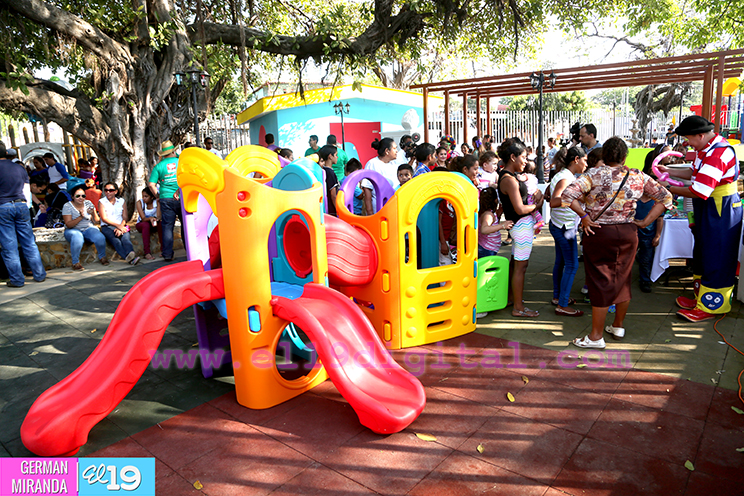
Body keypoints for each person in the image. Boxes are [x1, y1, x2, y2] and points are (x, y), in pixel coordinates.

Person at [562, 137, 672, 348]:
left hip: (599, 232)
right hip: (629, 232)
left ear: (604, 156)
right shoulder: (637, 176)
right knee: (622, 278)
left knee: (600, 281)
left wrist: (584, 216)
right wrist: (646, 221)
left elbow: (568, 195)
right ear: (624, 157)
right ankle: (618, 326)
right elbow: (666, 198)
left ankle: (595, 336)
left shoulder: (593, 174)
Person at [659, 115, 742, 322]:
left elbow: (699, 190)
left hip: (720, 208)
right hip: (707, 206)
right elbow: (694, 173)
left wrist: (668, 188)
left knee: (718, 254)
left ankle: (712, 305)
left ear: (701, 135)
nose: (687, 143)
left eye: (689, 138)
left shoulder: (719, 153)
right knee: (703, 251)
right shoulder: (704, 150)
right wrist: (669, 171)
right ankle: (701, 297)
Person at [497, 137, 544, 317]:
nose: (526, 161)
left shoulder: (511, 176)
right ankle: (518, 307)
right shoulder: (509, 179)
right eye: (523, 157)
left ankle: (511, 299)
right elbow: (520, 208)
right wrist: (537, 207)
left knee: (517, 264)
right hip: (521, 224)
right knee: (521, 267)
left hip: (520, 225)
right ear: (512, 157)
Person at [0, 142, 47, 287]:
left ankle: (17, 280)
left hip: (3, 206)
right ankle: (39, 275)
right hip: (22, 205)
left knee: (9, 246)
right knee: (29, 242)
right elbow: (27, 190)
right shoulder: (19, 168)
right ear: (6, 153)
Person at [548, 147, 587, 317]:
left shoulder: (563, 175)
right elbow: (554, 201)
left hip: (560, 225)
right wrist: (574, 201)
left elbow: (548, 195)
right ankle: (562, 305)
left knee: (561, 262)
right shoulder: (565, 178)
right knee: (572, 265)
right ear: (576, 159)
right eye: (585, 160)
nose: (586, 164)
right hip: (565, 227)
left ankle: (559, 298)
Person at [636, 145, 668, 293]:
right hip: (635, 234)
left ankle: (645, 280)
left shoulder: (656, 203)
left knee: (646, 259)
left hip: (649, 236)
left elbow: (660, 219)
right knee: (632, 257)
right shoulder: (635, 199)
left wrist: (658, 235)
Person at [62, 184, 108, 270]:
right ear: (72, 196)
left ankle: (102, 257)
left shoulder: (88, 203)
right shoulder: (67, 206)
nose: (81, 198)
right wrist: (81, 217)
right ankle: (75, 262)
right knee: (77, 237)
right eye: (77, 196)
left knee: (100, 237)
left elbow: (96, 220)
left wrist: (93, 213)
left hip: (88, 228)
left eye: (83, 196)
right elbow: (68, 224)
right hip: (73, 230)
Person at [149, 140, 180, 261]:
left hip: (165, 198)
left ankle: (167, 254)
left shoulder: (158, 166)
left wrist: (157, 195)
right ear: (173, 151)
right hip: (181, 197)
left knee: (167, 226)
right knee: (186, 226)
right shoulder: (180, 162)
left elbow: (151, 184)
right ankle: (190, 251)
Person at [98, 182, 140, 265]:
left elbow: (125, 217)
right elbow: (104, 218)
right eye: (106, 190)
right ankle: (129, 259)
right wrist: (118, 226)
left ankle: (130, 255)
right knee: (116, 241)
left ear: (116, 191)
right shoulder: (102, 202)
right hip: (107, 226)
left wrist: (121, 226)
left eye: (111, 190)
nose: (108, 192)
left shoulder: (121, 201)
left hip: (121, 225)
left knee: (126, 238)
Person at [362, 138, 398, 215]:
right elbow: (367, 188)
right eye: (394, 148)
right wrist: (370, 211)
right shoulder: (372, 164)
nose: (397, 151)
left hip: (393, 207)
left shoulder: (394, 164)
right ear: (387, 151)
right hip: (378, 209)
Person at [478, 186, 513, 258]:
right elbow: (484, 229)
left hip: (488, 248)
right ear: (496, 200)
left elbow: (491, 226)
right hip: (486, 249)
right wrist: (502, 225)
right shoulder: (488, 215)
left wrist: (498, 215)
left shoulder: (486, 213)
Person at [135, 187, 162, 260]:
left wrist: (159, 204)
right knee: (145, 225)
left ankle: (164, 249)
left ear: (152, 197)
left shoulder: (156, 202)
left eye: (146, 196)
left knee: (161, 224)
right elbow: (143, 218)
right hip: (142, 224)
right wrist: (150, 219)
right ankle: (147, 252)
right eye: (143, 196)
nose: (144, 198)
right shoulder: (140, 203)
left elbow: (159, 217)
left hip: (153, 223)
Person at [317, 145, 340, 216]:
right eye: (336, 155)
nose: (337, 157)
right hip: (331, 210)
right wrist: (338, 210)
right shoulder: (330, 172)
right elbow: (333, 195)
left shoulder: (321, 170)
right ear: (330, 156)